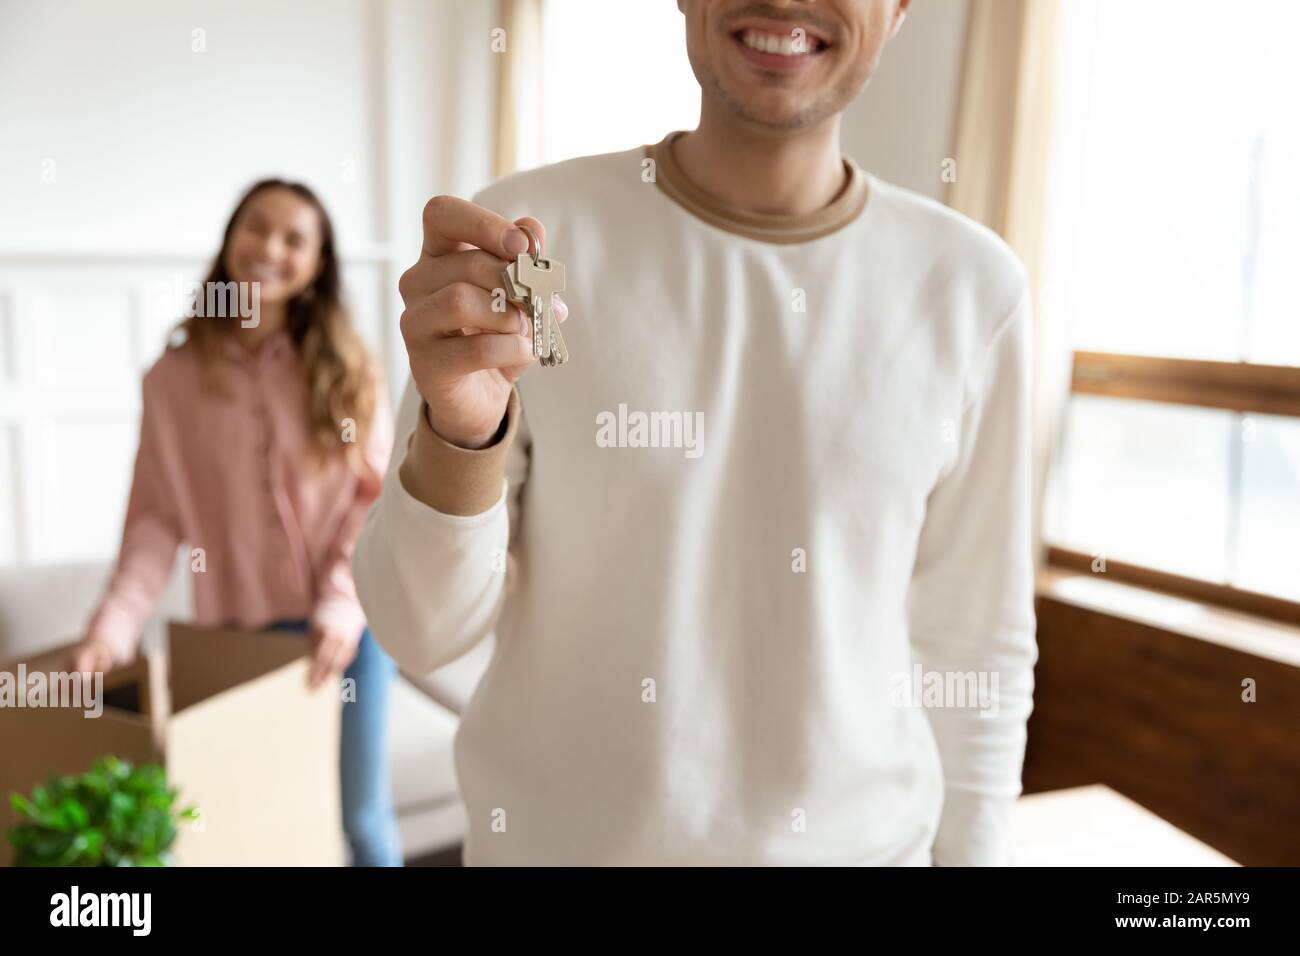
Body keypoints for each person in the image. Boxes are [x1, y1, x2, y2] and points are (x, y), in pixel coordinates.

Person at [355, 0, 1037, 865]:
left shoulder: (974, 290)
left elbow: (979, 642)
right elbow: (419, 632)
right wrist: (459, 432)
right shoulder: (522, 247)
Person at [70, 179, 401, 867]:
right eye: (258, 227)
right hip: (235, 644)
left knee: (360, 819)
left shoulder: (350, 369)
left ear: (317, 264)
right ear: (230, 237)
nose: (271, 249)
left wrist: (342, 601)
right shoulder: (172, 379)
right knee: (250, 833)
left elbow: (375, 497)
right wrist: (113, 625)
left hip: (345, 638)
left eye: (295, 239)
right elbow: (156, 519)